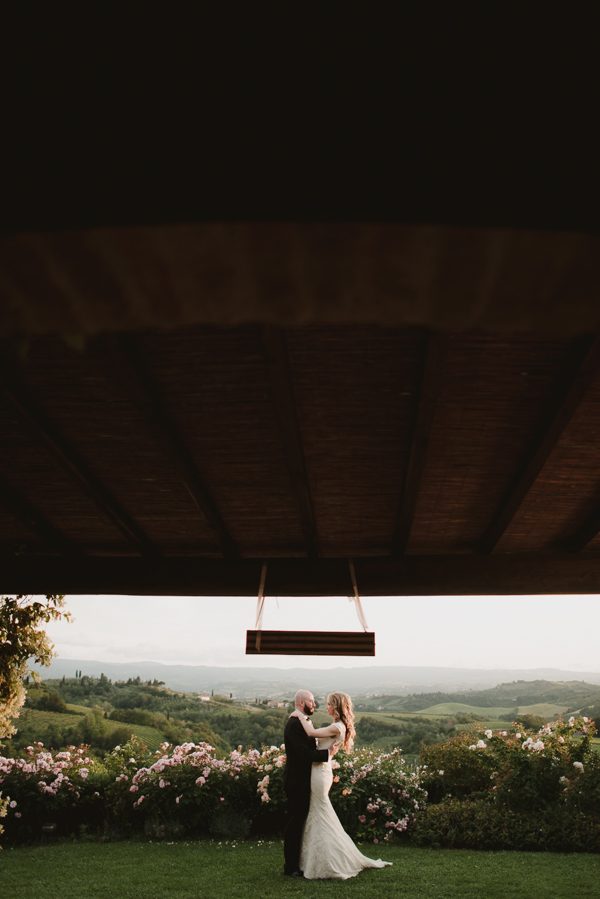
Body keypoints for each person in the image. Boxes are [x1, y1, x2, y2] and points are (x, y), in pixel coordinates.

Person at [291, 691, 392, 880]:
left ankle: (330, 861)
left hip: (319, 773)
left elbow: (311, 733)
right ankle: (313, 860)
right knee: (318, 812)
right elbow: (326, 748)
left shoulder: (337, 727)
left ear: (336, 706)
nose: (326, 707)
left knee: (320, 812)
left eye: (329, 704)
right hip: (322, 770)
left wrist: (299, 715)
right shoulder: (338, 726)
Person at [283, 689, 332, 877]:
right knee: (294, 824)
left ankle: (298, 863)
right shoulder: (295, 724)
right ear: (302, 702)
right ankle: (290, 867)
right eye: (312, 701)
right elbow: (304, 755)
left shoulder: (301, 722)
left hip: (303, 781)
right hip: (296, 782)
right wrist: (329, 754)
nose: (314, 705)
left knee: (299, 822)